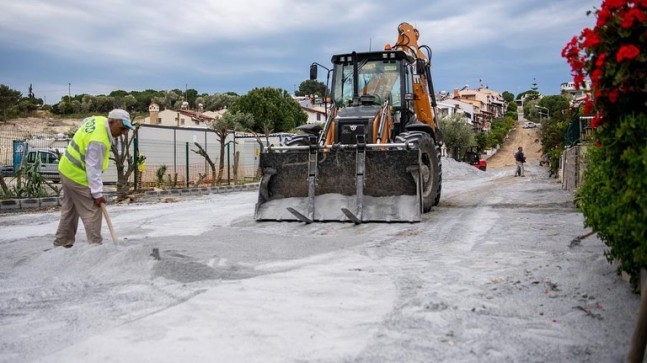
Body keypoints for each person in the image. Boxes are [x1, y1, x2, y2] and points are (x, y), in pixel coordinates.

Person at [52, 109, 133, 248]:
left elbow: (85, 121)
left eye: (126, 129)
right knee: (93, 210)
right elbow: (93, 168)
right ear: (112, 121)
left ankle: (62, 243)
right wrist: (97, 194)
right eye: (122, 128)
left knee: (70, 209)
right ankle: (96, 248)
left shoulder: (99, 120)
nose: (123, 132)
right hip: (77, 175)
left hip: (66, 168)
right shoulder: (98, 140)